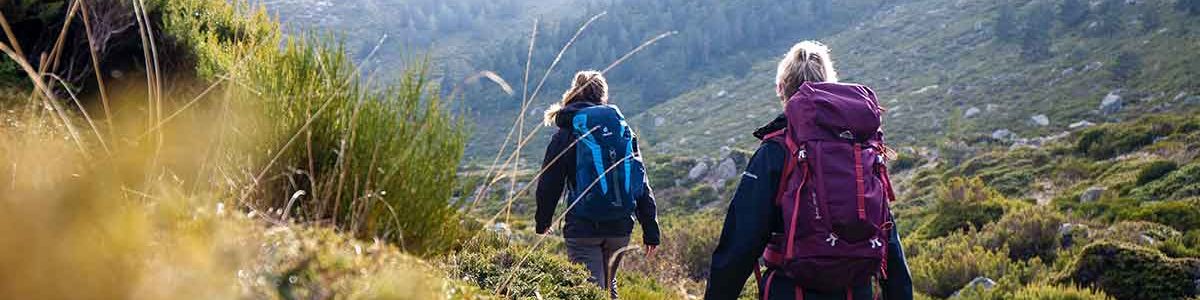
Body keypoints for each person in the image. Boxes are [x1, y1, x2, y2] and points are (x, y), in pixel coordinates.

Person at [704, 41, 914, 300]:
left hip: (790, 291)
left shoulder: (776, 150)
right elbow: (887, 237)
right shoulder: (859, 148)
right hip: (856, 291)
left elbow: (740, 244)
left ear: (780, 88)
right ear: (829, 84)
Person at [535, 70, 662, 299]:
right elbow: (640, 179)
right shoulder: (621, 130)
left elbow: (550, 181)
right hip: (620, 226)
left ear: (574, 91)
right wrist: (650, 229)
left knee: (589, 291)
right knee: (607, 285)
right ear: (603, 95)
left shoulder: (567, 132)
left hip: (583, 227)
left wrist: (543, 220)